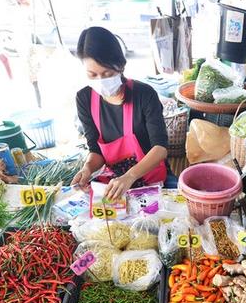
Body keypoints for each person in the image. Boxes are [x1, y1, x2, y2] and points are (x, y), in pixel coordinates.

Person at [71, 27, 174, 200]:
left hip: (153, 177)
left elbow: (160, 148)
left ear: (120, 65)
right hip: (115, 181)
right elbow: (95, 150)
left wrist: (130, 176)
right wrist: (88, 168)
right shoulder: (84, 99)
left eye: (107, 73)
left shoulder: (144, 94)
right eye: (92, 74)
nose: (100, 81)